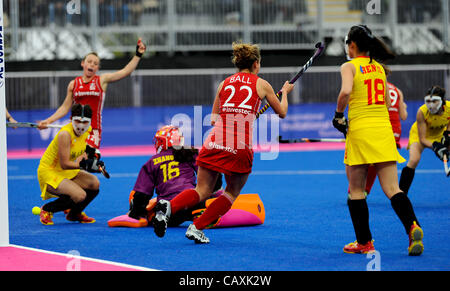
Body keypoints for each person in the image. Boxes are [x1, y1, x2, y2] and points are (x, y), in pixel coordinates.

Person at [151, 41, 294, 244]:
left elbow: (213, 119)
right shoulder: (262, 84)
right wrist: (285, 93)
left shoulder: (224, 84)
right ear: (256, 64)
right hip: (239, 146)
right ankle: (197, 226)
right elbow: (282, 112)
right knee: (231, 192)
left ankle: (168, 207)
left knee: (201, 190)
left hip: (213, 141)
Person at [333, 25, 423, 256]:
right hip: (383, 131)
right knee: (393, 188)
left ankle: (364, 242)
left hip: (361, 132)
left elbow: (345, 92)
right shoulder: (380, 69)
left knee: (356, 190)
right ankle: (413, 226)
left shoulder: (349, 66)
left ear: (352, 45)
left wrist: (339, 116)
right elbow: (383, 102)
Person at [38, 38, 147, 164]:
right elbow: (64, 108)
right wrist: (48, 121)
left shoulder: (102, 80)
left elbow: (125, 71)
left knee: (83, 163)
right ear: (83, 64)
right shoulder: (73, 84)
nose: (92, 65)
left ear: (97, 68)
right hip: (74, 130)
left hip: (92, 131)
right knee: (69, 165)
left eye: (95, 63)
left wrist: (138, 54)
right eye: (89, 62)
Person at [108, 125, 225, 228]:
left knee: (136, 198)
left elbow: (142, 193)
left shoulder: (152, 162)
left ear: (162, 142)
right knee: (203, 194)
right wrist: (215, 193)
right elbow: (211, 175)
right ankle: (200, 213)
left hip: (169, 210)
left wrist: (136, 213)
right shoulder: (191, 153)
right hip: (192, 202)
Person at [36, 104, 101, 225]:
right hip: (50, 172)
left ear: (90, 122)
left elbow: (82, 151)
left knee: (94, 183)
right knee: (80, 196)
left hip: (66, 171)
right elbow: (65, 164)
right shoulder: (65, 134)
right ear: (71, 119)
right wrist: (85, 165)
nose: (81, 126)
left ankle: (74, 214)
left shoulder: (88, 131)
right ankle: (47, 209)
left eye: (85, 122)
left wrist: (93, 158)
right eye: (77, 121)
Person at [362, 69, 408, 196]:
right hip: (395, 131)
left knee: (369, 160)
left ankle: (361, 190)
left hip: (381, 127)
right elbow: (403, 116)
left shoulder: (372, 87)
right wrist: (404, 107)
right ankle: (395, 193)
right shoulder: (398, 91)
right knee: (385, 162)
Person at [399, 86, 450, 195]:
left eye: (435, 101)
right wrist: (437, 147)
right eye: (428, 101)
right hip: (419, 135)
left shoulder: (449, 109)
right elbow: (423, 139)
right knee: (414, 160)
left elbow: (449, 127)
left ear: (442, 101)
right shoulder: (421, 112)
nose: (431, 105)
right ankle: (401, 194)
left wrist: (447, 136)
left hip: (439, 134)